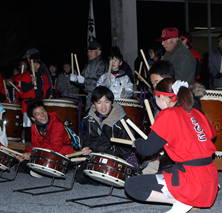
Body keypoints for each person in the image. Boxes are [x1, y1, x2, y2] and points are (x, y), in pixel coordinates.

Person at [125, 78, 218, 213]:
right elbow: (211, 135)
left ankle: (182, 201)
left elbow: (147, 149)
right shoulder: (194, 112)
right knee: (165, 173)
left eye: (156, 99)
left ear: (163, 97)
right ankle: (191, 198)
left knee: (131, 185)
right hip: (210, 179)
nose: (156, 103)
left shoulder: (167, 114)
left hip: (192, 180)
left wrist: (137, 143)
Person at [76, 86, 138, 185]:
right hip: (97, 154)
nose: (103, 106)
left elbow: (125, 149)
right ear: (93, 104)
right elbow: (87, 137)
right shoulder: (88, 117)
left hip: (117, 156)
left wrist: (104, 152)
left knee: (107, 176)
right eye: (99, 102)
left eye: (107, 102)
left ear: (112, 103)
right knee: (80, 177)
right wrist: (86, 147)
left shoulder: (122, 121)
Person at [17, 99, 74, 176]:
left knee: (32, 163)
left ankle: (40, 170)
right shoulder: (34, 127)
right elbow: (36, 146)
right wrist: (25, 154)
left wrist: (32, 154)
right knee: (20, 161)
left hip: (62, 155)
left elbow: (55, 148)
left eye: (43, 111)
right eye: (37, 114)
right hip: (44, 154)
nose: (42, 115)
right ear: (33, 118)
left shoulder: (57, 124)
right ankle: (40, 170)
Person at [15, 53, 51, 143]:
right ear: (30, 64)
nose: (35, 66)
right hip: (28, 104)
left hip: (39, 103)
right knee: (29, 127)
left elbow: (47, 90)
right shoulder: (25, 76)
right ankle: (28, 146)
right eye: (33, 63)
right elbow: (22, 91)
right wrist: (31, 83)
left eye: (37, 64)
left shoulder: (43, 76)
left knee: (41, 126)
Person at [71, 41, 108, 111]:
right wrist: (75, 79)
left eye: (91, 51)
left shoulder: (102, 64)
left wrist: (84, 80)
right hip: (89, 97)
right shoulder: (88, 65)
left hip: (99, 97)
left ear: (98, 52)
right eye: (88, 51)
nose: (88, 53)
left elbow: (100, 82)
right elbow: (82, 81)